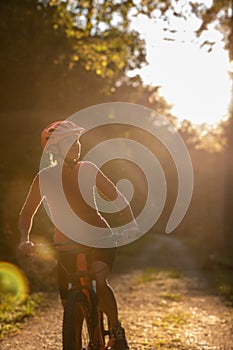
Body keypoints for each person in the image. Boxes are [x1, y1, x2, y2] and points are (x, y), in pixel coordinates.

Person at [18, 120, 138, 350]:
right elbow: (27, 213)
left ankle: (116, 330)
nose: (77, 145)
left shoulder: (88, 169)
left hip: (100, 237)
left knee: (99, 281)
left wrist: (131, 223)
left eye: (78, 141)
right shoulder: (44, 178)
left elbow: (116, 197)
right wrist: (25, 238)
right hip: (65, 244)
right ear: (55, 149)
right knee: (69, 301)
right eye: (70, 142)